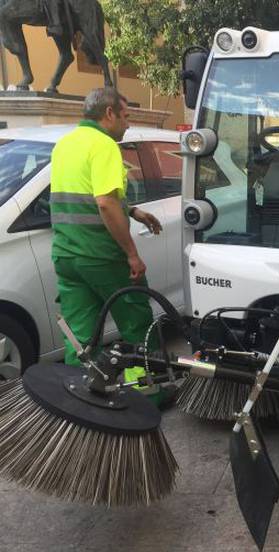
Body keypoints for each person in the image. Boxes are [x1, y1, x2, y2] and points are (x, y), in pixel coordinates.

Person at [50, 88, 165, 400]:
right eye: (126, 116)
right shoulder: (104, 146)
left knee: (80, 333)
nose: (127, 124)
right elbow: (103, 203)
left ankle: (79, 394)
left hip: (66, 255)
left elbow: (88, 196)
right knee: (136, 319)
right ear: (109, 114)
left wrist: (133, 210)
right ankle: (145, 391)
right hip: (101, 255)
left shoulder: (66, 144)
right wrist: (132, 255)